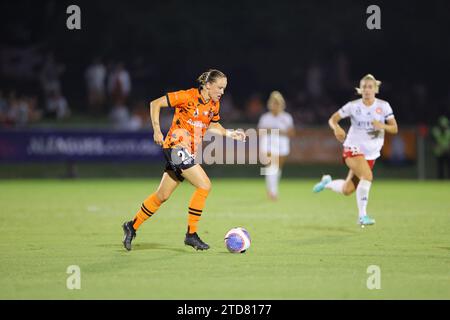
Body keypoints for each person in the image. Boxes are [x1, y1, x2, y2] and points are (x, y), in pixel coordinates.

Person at [122, 69, 246, 251]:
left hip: (186, 152)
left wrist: (229, 133)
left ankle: (131, 226)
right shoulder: (187, 96)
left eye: (224, 88)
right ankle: (191, 234)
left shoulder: (213, 105)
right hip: (175, 147)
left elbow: (211, 123)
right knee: (204, 185)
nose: (222, 92)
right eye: (219, 87)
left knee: (161, 196)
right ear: (208, 85)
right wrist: (157, 130)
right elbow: (155, 104)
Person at [312, 74, 398, 226]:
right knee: (367, 176)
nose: (366, 89)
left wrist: (382, 126)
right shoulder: (353, 106)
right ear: (360, 89)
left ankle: (327, 183)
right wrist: (336, 128)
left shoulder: (384, 106)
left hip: (371, 154)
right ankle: (362, 217)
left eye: (370, 87)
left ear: (375, 89)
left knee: (347, 190)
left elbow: (394, 128)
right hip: (353, 148)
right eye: (364, 86)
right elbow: (332, 119)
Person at [257, 91, 295, 200]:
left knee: (277, 167)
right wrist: (269, 131)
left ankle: (272, 188)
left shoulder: (287, 117)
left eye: (277, 103)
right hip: (268, 142)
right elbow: (259, 131)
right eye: (273, 103)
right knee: (271, 165)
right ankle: (273, 191)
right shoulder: (265, 117)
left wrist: (278, 131)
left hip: (282, 144)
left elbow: (292, 133)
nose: (275, 106)